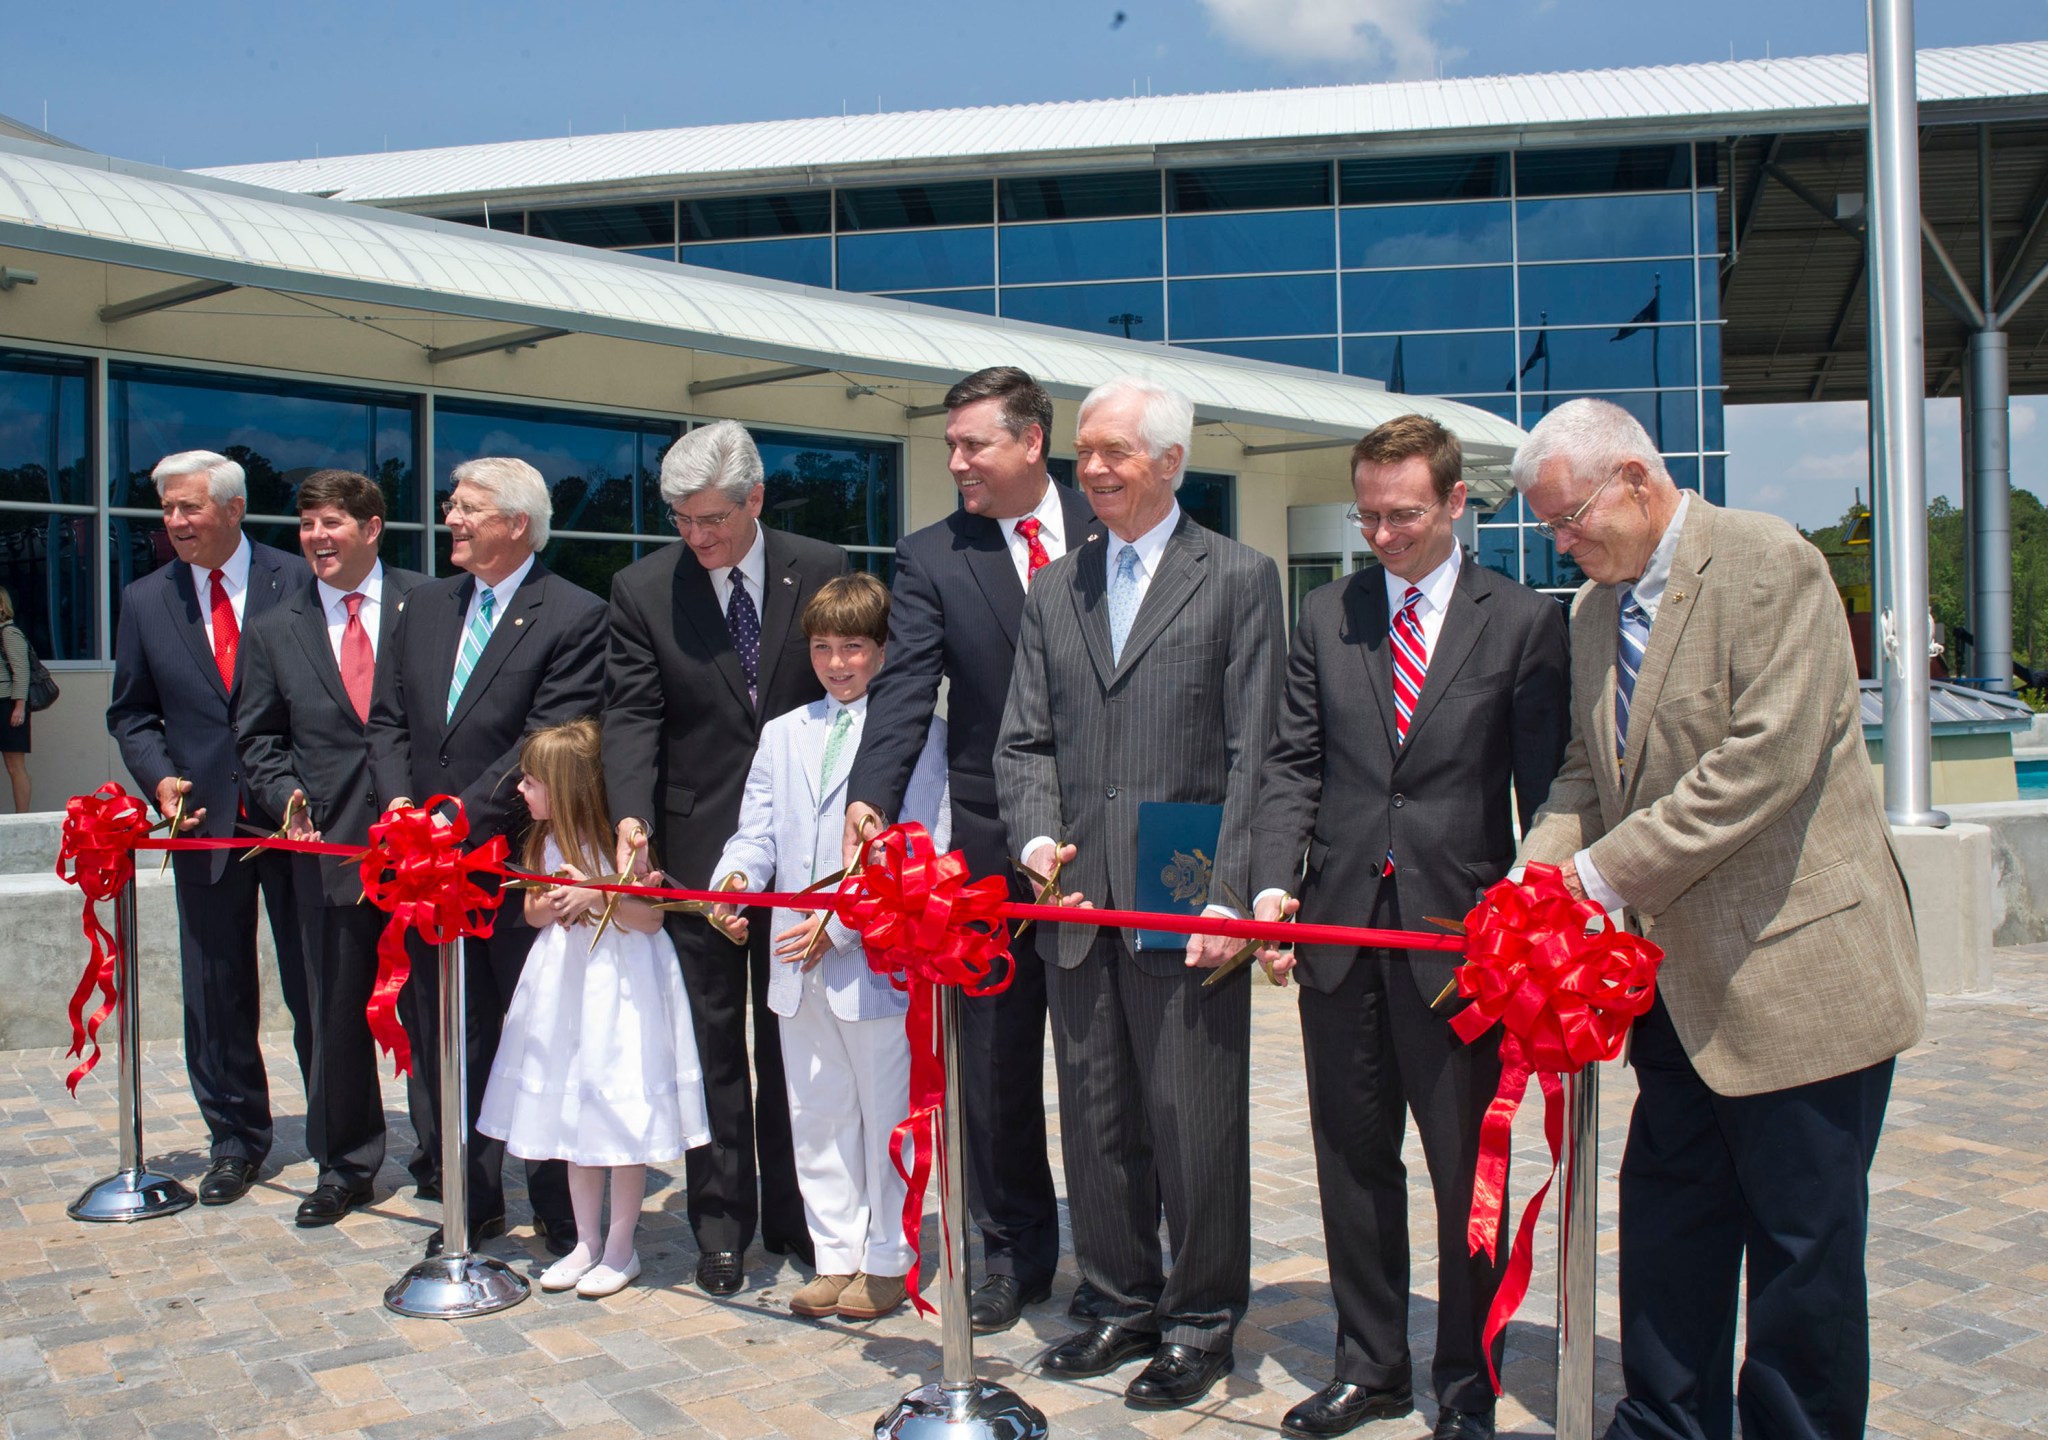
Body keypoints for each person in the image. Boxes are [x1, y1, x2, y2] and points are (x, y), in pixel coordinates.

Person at [1512, 399, 1924, 1440]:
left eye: (1567, 520)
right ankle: (1662, 1422)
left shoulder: (1767, 565)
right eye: (1549, 528)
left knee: (1801, 1255)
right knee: (1670, 1229)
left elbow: (1760, 768)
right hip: (1673, 991)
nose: (1560, 544)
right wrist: (1529, 883)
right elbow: (1582, 773)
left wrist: (1595, 876)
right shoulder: (1591, 612)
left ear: (1634, 483)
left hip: (1797, 981)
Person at [1249, 416, 1570, 1440]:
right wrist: (1270, 884)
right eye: (1369, 515)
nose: (1382, 535)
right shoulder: (1324, 613)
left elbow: (1544, 786)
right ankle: (1370, 1365)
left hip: (1457, 944)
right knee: (1351, 1159)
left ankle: (1466, 1379)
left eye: (1403, 517)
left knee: (1459, 1169)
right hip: (1339, 935)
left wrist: (1534, 903)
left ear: (1453, 505)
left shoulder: (1520, 622)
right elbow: (1291, 762)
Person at [994, 375, 1283, 1410]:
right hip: (1074, 898)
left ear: (1168, 461)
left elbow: (1258, 753)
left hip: (1184, 889)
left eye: (1116, 451)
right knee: (1097, 1116)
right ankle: (1117, 1301)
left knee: (1190, 1120)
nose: (1094, 470)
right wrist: (1036, 842)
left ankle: (1200, 1323)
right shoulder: (1052, 589)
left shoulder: (1239, 578)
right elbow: (1022, 739)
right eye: (1086, 452)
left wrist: (1233, 894)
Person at [842, 366, 1091, 1333]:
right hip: (989, 845)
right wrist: (871, 796)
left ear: (1032, 442)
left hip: (1109, 837)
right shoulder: (933, 555)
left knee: (1112, 1060)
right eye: (951, 446)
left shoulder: (1114, 531)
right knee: (991, 1065)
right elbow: (907, 690)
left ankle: (1127, 1255)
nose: (956, 464)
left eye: (972, 445)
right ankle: (1009, 1253)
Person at [604, 419, 849, 1297]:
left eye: (711, 518)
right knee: (711, 1049)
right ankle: (722, 1225)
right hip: (696, 856)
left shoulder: (821, 567)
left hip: (807, 859)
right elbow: (631, 716)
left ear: (755, 500)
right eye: (681, 518)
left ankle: (801, 1216)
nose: (696, 536)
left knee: (800, 1048)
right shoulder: (641, 589)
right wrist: (632, 824)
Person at [367, 456, 608, 1258]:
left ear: (516, 523)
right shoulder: (425, 605)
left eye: (468, 509)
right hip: (427, 871)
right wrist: (404, 813)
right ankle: (469, 1200)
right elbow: (388, 719)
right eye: (451, 506)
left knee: (534, 1033)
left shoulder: (574, 614)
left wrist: (456, 821)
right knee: (446, 1034)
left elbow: (545, 742)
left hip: (514, 866)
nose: (451, 521)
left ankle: (556, 1205)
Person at [714, 573, 951, 1322]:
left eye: (854, 647)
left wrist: (840, 925)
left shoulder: (917, 730)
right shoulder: (784, 731)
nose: (838, 663)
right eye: (823, 648)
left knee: (884, 1115)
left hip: (871, 960)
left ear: (884, 650)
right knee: (815, 1112)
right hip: (793, 962)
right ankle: (834, 1252)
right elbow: (758, 827)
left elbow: (920, 846)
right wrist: (733, 879)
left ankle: (890, 1255)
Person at [107, 449, 311, 1207]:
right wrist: (158, 775)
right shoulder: (144, 599)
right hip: (202, 822)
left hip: (297, 820)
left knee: (315, 983)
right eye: (166, 510)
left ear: (232, 509)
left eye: (189, 508)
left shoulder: (301, 579)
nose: (175, 522)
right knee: (216, 990)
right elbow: (131, 712)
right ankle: (235, 1141)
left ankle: (336, 1138)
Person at [236, 469, 430, 1226]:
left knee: (434, 1008)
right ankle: (344, 1165)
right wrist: (285, 799)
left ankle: (447, 1162)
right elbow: (257, 735)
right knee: (333, 1014)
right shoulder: (276, 628)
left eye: (333, 524)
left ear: (372, 528)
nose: (317, 537)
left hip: (424, 852)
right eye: (308, 524)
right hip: (326, 851)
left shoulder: (430, 605)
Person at [477, 718, 712, 1298]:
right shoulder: (544, 839)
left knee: (618, 1112)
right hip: (565, 987)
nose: (521, 792)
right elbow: (532, 911)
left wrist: (597, 891)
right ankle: (585, 1241)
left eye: (531, 782)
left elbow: (650, 916)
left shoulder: (623, 842)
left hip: (620, 988)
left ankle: (620, 1246)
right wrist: (556, 898)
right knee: (575, 1114)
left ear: (564, 786)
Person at [0, 586, 34, 811]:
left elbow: (22, 671)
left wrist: (19, 707)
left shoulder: (8, 633)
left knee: (15, 765)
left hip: (7, 705)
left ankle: (22, 818)